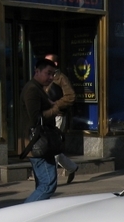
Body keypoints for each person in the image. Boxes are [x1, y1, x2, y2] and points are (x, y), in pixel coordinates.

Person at [20, 58, 59, 203]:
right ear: (37, 71)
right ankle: (23, 214)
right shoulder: (32, 89)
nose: (51, 77)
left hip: (40, 143)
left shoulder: (37, 88)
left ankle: (35, 215)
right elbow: (35, 117)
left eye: (53, 74)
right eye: (48, 73)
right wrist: (54, 110)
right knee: (48, 184)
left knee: (42, 184)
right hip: (38, 143)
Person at [44, 53, 79, 184]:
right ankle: (71, 167)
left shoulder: (61, 78)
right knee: (49, 145)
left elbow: (71, 96)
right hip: (47, 116)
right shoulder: (45, 78)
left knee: (54, 145)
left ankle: (50, 177)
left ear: (55, 64)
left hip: (58, 115)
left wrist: (56, 105)